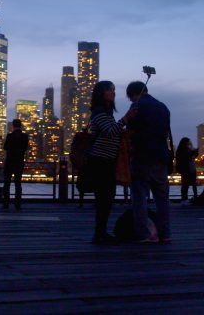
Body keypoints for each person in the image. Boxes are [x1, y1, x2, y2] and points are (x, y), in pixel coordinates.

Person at [88, 81, 135, 244]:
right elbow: (109, 132)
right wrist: (125, 119)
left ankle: (101, 232)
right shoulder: (99, 112)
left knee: (106, 198)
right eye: (110, 90)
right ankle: (99, 234)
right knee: (104, 198)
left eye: (114, 90)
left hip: (106, 161)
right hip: (101, 161)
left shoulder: (106, 113)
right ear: (102, 93)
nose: (113, 93)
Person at [125, 81, 171, 244]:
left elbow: (129, 129)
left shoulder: (136, 107)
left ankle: (145, 234)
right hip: (160, 156)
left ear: (133, 95)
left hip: (141, 156)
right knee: (162, 198)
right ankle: (165, 233)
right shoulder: (163, 107)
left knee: (139, 197)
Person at [3, 119, 29, 211]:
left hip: (9, 162)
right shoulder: (25, 136)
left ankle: (6, 204)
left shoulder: (9, 136)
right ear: (21, 125)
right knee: (18, 184)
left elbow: (5, 147)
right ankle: (17, 205)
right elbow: (25, 148)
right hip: (19, 162)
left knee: (7, 184)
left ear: (13, 126)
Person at [69, 127, 91, 208]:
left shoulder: (78, 140)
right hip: (89, 165)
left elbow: (73, 152)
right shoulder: (90, 139)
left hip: (81, 166)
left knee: (81, 185)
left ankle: (81, 202)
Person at [175, 137, 198, 203]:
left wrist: (195, 153)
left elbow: (192, 156)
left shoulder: (182, 150)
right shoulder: (182, 150)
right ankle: (186, 199)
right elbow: (186, 157)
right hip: (187, 169)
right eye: (188, 142)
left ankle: (185, 199)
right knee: (186, 185)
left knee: (187, 185)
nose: (189, 143)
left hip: (190, 168)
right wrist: (193, 152)